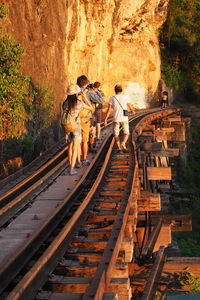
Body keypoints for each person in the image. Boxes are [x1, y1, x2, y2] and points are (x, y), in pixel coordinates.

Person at [62, 84, 93, 175]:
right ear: (76, 93)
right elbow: (91, 108)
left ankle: (69, 166)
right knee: (75, 147)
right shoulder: (79, 102)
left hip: (67, 126)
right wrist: (84, 97)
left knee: (70, 147)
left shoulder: (65, 103)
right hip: (76, 126)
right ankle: (71, 169)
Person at [104, 84, 134, 153]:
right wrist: (132, 111)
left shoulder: (112, 98)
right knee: (126, 133)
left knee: (116, 134)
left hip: (116, 118)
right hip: (124, 118)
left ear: (115, 91)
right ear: (121, 90)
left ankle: (119, 149)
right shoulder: (125, 97)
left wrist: (105, 119)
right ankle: (123, 143)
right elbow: (131, 107)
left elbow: (109, 110)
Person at [76, 75, 94, 166]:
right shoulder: (88, 92)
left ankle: (77, 160)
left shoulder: (74, 90)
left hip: (74, 118)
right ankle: (84, 159)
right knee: (84, 140)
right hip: (85, 118)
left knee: (77, 141)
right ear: (86, 83)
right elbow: (100, 100)